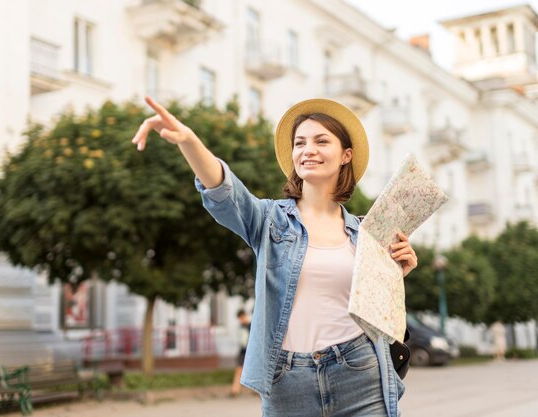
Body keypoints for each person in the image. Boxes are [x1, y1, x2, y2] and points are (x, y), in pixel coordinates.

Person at [132, 97, 418, 417]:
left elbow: (382, 316)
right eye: (300, 143)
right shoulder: (270, 221)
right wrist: (189, 142)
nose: (308, 149)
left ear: (345, 155)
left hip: (359, 374)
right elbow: (225, 194)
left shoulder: (367, 233)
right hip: (288, 381)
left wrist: (394, 277)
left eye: (321, 141)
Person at [231, 309, 251, 396]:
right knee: (239, 369)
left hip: (250, 351)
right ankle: (235, 390)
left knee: (255, 370)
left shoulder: (251, 326)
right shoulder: (241, 327)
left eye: (242, 317)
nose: (241, 319)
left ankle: (257, 390)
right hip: (243, 351)